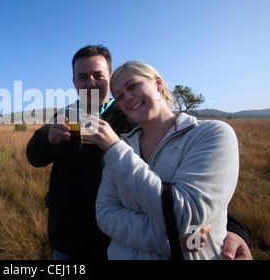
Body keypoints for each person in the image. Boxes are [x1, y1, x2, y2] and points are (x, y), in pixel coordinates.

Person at [26, 45, 251, 260]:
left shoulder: (132, 121)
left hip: (111, 242)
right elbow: (34, 158)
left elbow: (176, 182)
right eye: (82, 77)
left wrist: (233, 229)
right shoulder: (65, 115)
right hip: (65, 235)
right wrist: (48, 139)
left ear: (110, 76)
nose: (90, 82)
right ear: (74, 81)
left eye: (98, 75)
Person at [87, 60, 240, 259]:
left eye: (133, 86)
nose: (128, 98)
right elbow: (105, 214)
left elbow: (184, 216)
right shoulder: (126, 144)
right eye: (120, 96)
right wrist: (170, 241)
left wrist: (115, 149)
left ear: (158, 84)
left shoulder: (211, 134)